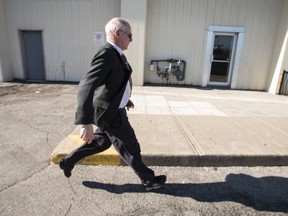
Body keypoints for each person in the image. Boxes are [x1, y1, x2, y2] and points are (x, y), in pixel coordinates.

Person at [59, 17, 166, 191]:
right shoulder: (107, 53)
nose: (131, 39)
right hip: (111, 114)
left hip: (112, 109)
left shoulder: (115, 54)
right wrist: (85, 122)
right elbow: (86, 86)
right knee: (130, 144)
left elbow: (113, 82)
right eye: (129, 35)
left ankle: (68, 161)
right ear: (118, 33)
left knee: (101, 143)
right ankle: (149, 180)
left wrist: (124, 99)